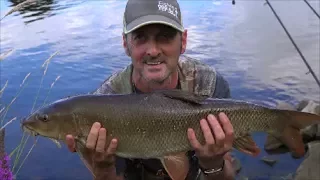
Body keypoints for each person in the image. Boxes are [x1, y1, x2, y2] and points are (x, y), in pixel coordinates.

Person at [65, 0, 237, 179]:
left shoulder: (209, 84)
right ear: (126, 44)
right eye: (140, 37)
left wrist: (213, 165)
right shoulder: (100, 105)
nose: (153, 51)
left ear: (183, 41)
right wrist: (103, 170)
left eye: (165, 36)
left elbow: (228, 175)